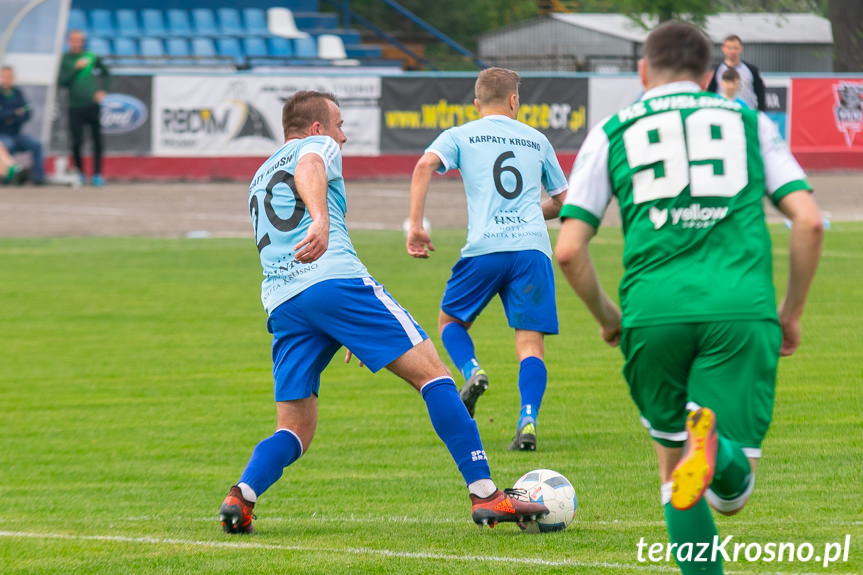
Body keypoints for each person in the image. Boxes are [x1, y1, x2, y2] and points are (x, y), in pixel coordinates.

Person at [555, 21, 821, 575]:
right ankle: (715, 444)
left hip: (653, 314)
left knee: (675, 475)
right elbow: (810, 222)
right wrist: (790, 314)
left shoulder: (611, 131)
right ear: (708, 75)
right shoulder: (748, 121)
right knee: (732, 495)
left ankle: (701, 444)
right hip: (740, 308)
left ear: (643, 71)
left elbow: (569, 252)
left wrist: (610, 319)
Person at [219, 90, 548, 534]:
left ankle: (241, 496)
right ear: (316, 128)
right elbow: (311, 167)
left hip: (284, 303)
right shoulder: (316, 148)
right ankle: (486, 493)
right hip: (333, 282)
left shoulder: (260, 174)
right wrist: (320, 219)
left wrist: (346, 328)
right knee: (434, 376)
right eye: (338, 125)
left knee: (295, 428)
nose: (344, 135)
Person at [406, 67, 568, 451]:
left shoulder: (461, 135)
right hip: (531, 250)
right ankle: (527, 421)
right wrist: (530, 211)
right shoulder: (536, 139)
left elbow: (423, 165)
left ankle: (472, 370)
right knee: (530, 345)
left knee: (450, 321)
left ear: (477, 104)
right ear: (515, 100)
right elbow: (562, 201)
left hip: (484, 247)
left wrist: (415, 225)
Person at [58, 29, 109, 186]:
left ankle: (97, 174)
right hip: (75, 106)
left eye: (79, 40)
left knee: (97, 141)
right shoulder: (65, 60)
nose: (76, 43)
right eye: (73, 40)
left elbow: (106, 73)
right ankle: (79, 172)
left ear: (83, 41)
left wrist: (103, 90)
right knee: (77, 141)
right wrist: (75, 68)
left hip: (92, 105)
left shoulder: (91, 57)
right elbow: (62, 81)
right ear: (69, 41)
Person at [0, 66, 43, 185]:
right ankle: (11, 177)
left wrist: (10, 116)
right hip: (2, 134)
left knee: (37, 144)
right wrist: (14, 113)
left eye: (9, 76)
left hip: (17, 133)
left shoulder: (18, 93)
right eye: (5, 76)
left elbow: (27, 112)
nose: (7, 79)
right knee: (8, 145)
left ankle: (39, 178)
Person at [707, 34, 766, 111]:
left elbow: (760, 92)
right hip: (722, 112)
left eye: (735, 48)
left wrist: (761, 112)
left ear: (741, 49)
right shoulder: (716, 70)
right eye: (729, 48)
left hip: (746, 113)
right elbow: (710, 93)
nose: (732, 51)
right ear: (723, 49)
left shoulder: (751, 70)